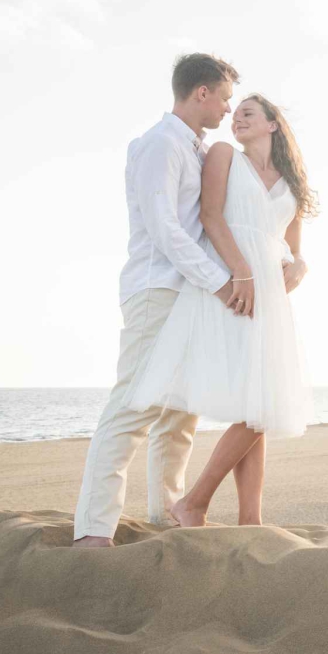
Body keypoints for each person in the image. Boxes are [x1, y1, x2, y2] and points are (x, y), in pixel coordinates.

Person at [72, 54, 244, 548]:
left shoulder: (200, 148)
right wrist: (220, 282)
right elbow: (164, 227)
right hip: (157, 289)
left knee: (179, 413)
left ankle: (166, 512)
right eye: (225, 97)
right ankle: (93, 530)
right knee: (133, 405)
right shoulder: (160, 143)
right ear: (201, 93)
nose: (229, 108)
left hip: (189, 293)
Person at [128, 93, 316, 528]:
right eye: (236, 114)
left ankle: (250, 520)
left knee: (258, 404)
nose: (236, 119)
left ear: (273, 124)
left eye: (248, 113)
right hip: (232, 285)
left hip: (269, 294)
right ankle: (193, 502)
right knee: (260, 403)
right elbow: (211, 216)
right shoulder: (224, 154)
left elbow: (294, 250)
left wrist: (301, 268)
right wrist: (240, 274)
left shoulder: (292, 181)